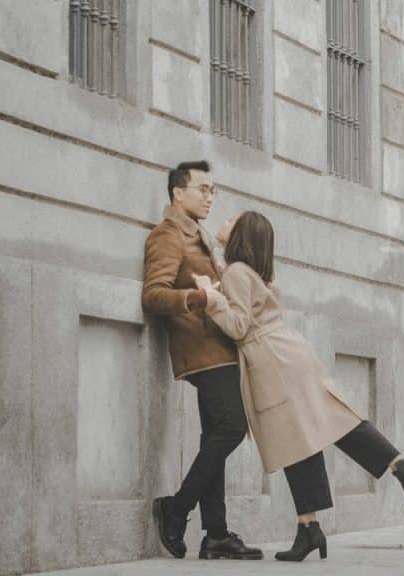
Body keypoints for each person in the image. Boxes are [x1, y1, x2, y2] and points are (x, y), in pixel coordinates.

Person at [197, 211, 404, 562]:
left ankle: (326, 518)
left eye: (233, 220)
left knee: (305, 434)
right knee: (319, 428)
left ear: (241, 236)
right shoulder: (247, 271)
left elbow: (238, 326)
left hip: (273, 360)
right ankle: (316, 523)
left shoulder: (235, 272)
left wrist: (209, 298)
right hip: (289, 352)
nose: (225, 221)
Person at [141, 161, 263, 560]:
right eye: (202, 189)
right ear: (178, 192)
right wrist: (196, 298)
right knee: (232, 428)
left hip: (220, 349)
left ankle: (216, 534)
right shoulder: (167, 235)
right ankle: (175, 508)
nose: (210, 197)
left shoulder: (200, 236)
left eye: (214, 190)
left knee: (216, 438)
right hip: (202, 353)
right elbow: (154, 295)